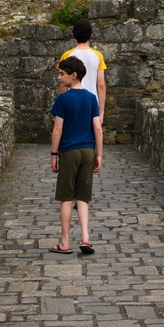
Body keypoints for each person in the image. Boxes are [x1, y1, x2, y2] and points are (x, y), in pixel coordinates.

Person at [49, 55, 102, 255]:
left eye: (61, 74)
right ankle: (85, 238)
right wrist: (99, 154)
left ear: (73, 75)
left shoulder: (63, 99)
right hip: (88, 151)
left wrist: (54, 154)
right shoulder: (91, 98)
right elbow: (98, 128)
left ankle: (65, 242)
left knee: (66, 197)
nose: (59, 78)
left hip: (69, 151)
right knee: (82, 197)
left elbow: (57, 130)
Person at [60, 17, 107, 120]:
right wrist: (101, 112)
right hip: (91, 103)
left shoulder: (66, 55)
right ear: (91, 35)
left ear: (73, 35)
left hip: (71, 102)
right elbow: (101, 85)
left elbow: (63, 85)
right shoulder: (98, 55)